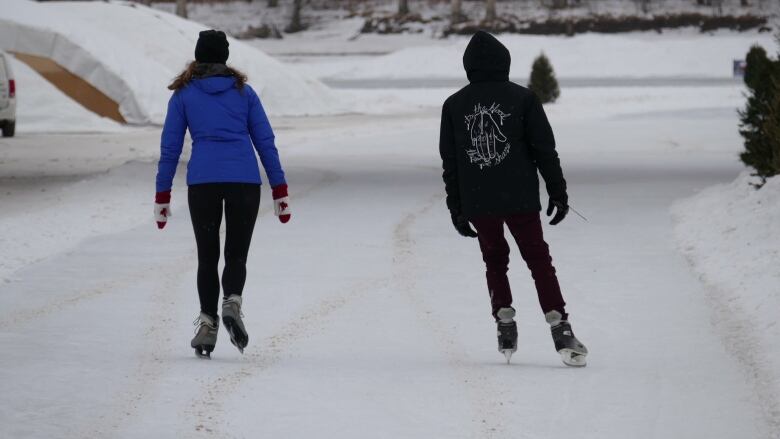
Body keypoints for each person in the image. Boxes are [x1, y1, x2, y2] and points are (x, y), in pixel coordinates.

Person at [438, 31, 588, 366]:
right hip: (519, 195)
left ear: (469, 65)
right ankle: (560, 326)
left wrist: (457, 208)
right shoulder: (523, 99)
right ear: (504, 61)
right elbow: (544, 150)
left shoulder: (454, 105)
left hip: (479, 199)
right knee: (537, 259)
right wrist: (558, 190)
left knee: (494, 260)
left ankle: (504, 322)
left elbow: (452, 164)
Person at [154, 30, 291, 359]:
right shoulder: (244, 93)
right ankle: (232, 300)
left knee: (206, 257)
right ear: (225, 57)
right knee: (236, 255)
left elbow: (170, 148)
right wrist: (280, 189)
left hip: (203, 183)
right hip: (244, 181)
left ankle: (207, 325)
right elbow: (265, 142)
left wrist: (162, 194)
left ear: (198, 56)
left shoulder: (184, 94)